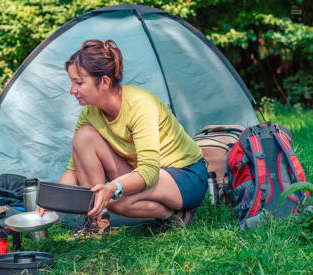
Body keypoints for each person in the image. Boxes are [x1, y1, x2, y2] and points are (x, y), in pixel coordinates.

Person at [41, 39, 208, 237]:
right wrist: (51, 202)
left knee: (116, 201)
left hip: (184, 175)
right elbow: (75, 169)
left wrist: (114, 187)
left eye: (79, 82)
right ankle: (97, 222)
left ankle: (175, 216)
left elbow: (149, 170)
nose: (72, 90)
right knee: (83, 137)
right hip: (146, 173)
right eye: (71, 82)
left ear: (104, 81)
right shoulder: (90, 114)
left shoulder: (139, 105)